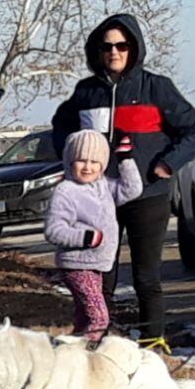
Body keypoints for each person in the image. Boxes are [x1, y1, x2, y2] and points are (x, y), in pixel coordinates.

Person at [51, 14, 195, 351]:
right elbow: (60, 128)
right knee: (100, 272)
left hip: (148, 195)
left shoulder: (156, 87)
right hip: (99, 198)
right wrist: (71, 160)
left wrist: (167, 163)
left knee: (146, 275)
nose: (114, 52)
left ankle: (152, 340)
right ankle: (98, 339)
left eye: (122, 45)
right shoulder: (86, 92)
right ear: (97, 51)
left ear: (134, 48)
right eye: (107, 47)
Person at [42, 130, 143, 342]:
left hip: (97, 264)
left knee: (84, 318)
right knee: (99, 318)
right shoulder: (66, 191)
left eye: (94, 162)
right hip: (76, 265)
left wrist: (125, 158)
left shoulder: (103, 185)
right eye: (81, 161)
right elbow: (53, 230)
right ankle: (90, 356)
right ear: (70, 161)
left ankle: (69, 355)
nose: (88, 167)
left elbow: (132, 189)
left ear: (103, 164)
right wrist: (86, 238)